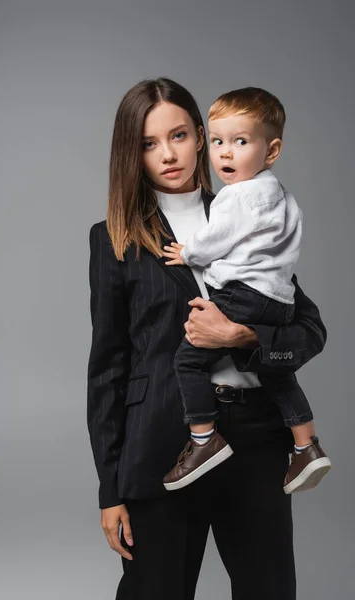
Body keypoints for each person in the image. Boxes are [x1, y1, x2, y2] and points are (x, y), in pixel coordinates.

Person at [87, 77, 327, 600]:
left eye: (178, 135)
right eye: (149, 143)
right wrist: (111, 490)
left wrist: (244, 335)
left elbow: (308, 330)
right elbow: (108, 368)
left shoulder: (251, 212)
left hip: (258, 438)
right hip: (163, 445)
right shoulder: (115, 237)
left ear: (202, 136)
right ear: (133, 153)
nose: (167, 154)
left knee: (269, 590)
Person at [162, 87, 331, 494]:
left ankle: (203, 440)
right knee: (276, 372)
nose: (225, 153)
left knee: (187, 359)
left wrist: (190, 253)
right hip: (276, 297)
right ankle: (306, 445)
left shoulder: (234, 197)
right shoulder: (283, 198)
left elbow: (213, 240)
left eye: (240, 142)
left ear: (271, 151)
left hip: (243, 294)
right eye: (220, 142)